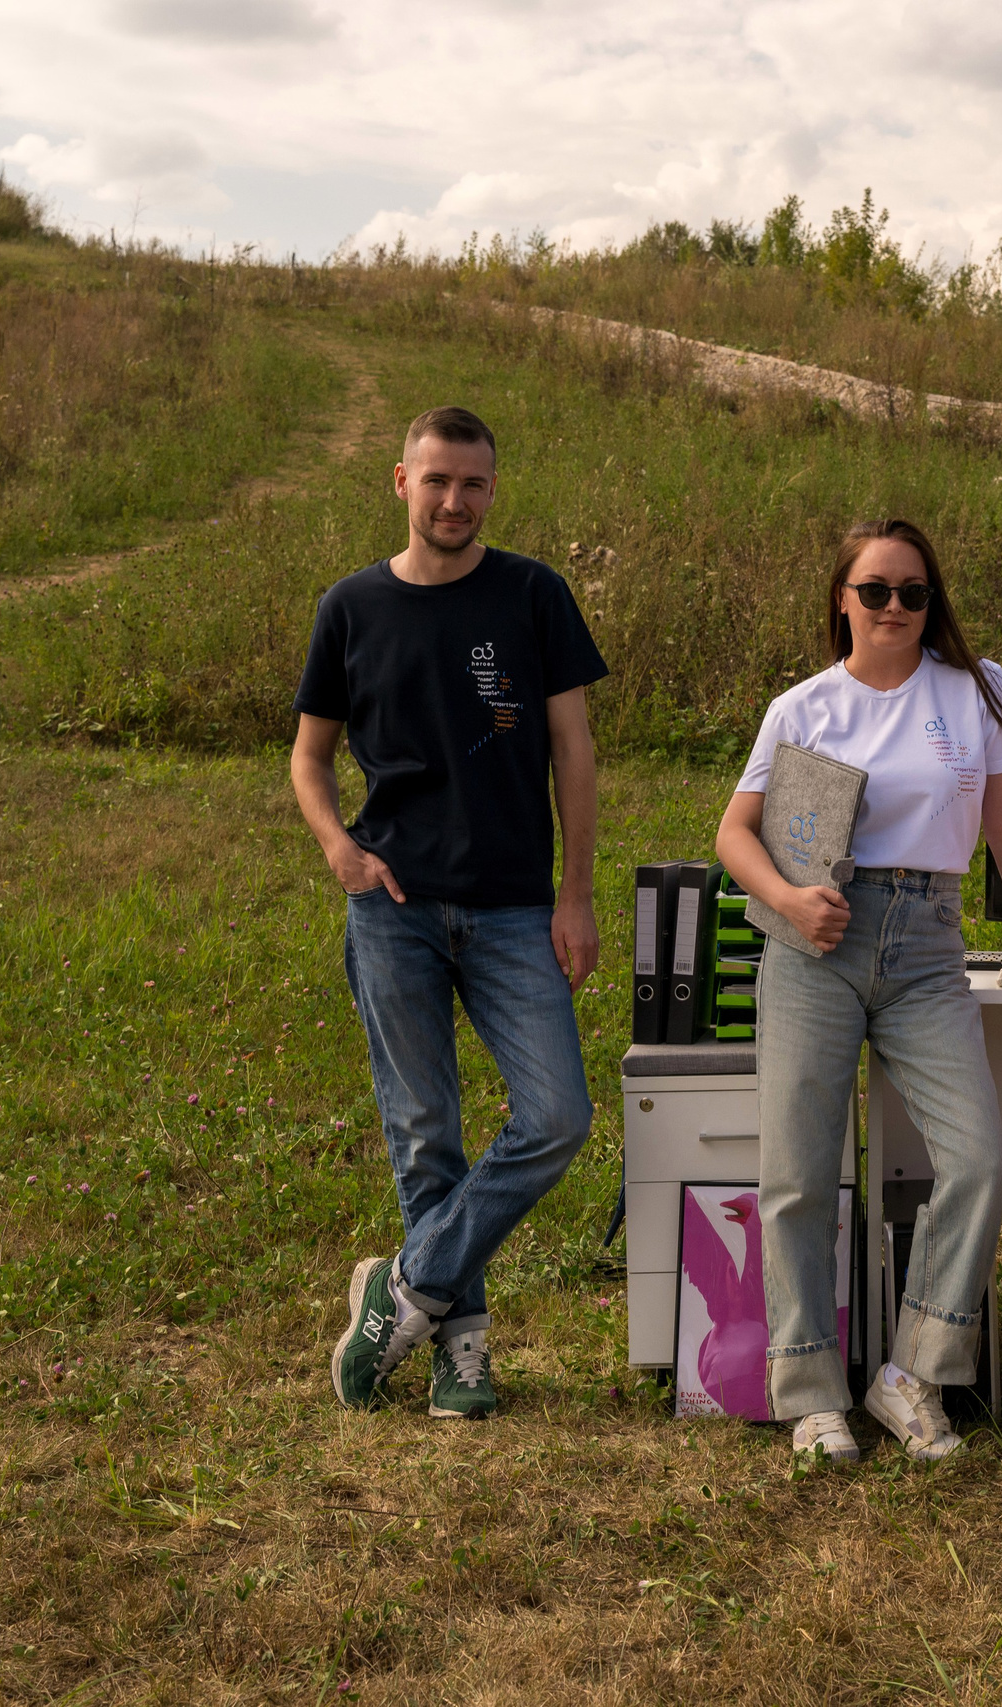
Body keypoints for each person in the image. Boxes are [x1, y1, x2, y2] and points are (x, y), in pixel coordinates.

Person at [716, 519, 1002, 1464]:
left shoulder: (974, 691)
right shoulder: (804, 707)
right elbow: (735, 835)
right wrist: (790, 898)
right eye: (874, 590)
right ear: (841, 597)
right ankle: (809, 1390)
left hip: (926, 943)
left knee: (980, 1159)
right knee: (797, 1175)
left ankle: (912, 1373)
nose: (894, 608)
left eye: (913, 592)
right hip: (815, 944)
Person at [290, 405, 608, 1422]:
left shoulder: (532, 596)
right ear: (400, 482)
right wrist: (339, 846)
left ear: (491, 490)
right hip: (395, 907)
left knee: (557, 1115)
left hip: (515, 906)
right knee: (426, 1131)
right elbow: (309, 755)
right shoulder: (351, 607)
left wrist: (574, 894)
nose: (454, 500)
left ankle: (405, 1292)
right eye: (436, 481)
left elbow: (573, 753)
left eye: (472, 483)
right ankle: (456, 1350)